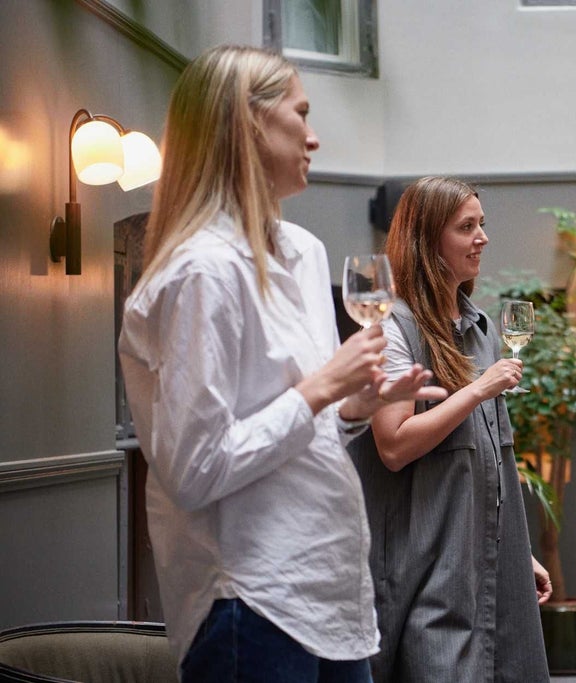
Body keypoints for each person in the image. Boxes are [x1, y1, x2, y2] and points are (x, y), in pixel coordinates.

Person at [118, 45, 446, 682]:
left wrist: (357, 402)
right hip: (250, 594)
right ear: (248, 124)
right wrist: (324, 387)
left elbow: (307, 418)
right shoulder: (202, 271)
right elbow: (193, 469)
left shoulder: (304, 251)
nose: (316, 137)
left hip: (332, 589)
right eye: (302, 113)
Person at [349, 176, 550, 682]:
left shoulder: (479, 329)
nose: (482, 237)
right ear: (426, 240)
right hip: (429, 585)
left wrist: (514, 550)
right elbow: (393, 445)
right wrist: (478, 391)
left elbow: (487, 462)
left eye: (482, 224)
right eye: (467, 227)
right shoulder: (393, 329)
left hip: (489, 574)